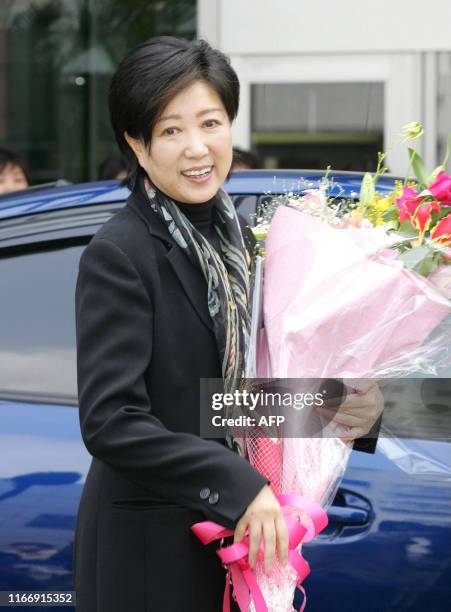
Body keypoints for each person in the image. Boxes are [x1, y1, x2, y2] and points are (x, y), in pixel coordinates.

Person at [74, 36, 382, 612]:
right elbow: (111, 420)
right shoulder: (121, 253)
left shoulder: (240, 239)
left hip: (241, 549)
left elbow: (224, 402)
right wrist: (239, 487)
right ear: (136, 145)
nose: (197, 148)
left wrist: (345, 410)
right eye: (170, 130)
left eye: (210, 123)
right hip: (153, 560)